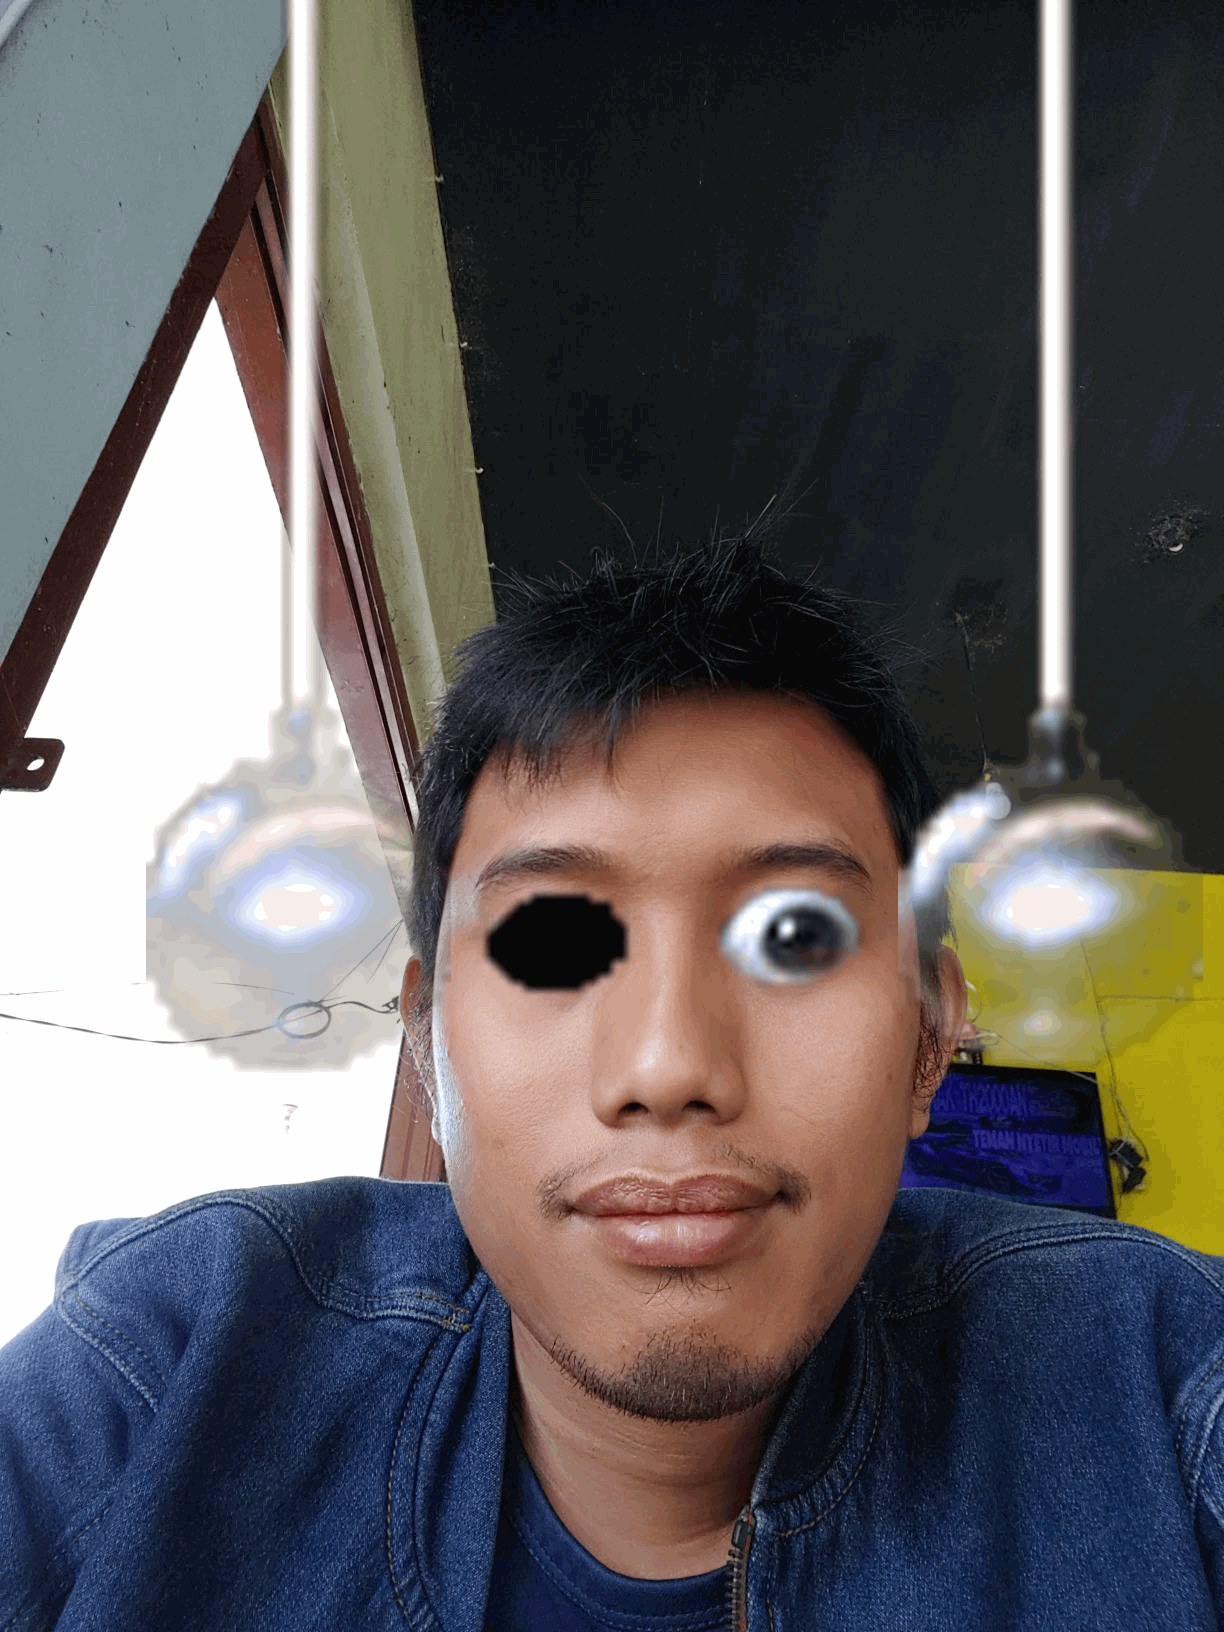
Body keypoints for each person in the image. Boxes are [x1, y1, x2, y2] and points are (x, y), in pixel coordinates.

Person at [1, 533, 1222, 1631]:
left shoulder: (1161, 1382)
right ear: (426, 1042)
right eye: (550, 942)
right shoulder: (176, 1356)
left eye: (797, 937)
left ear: (929, 1038)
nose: (668, 1067)